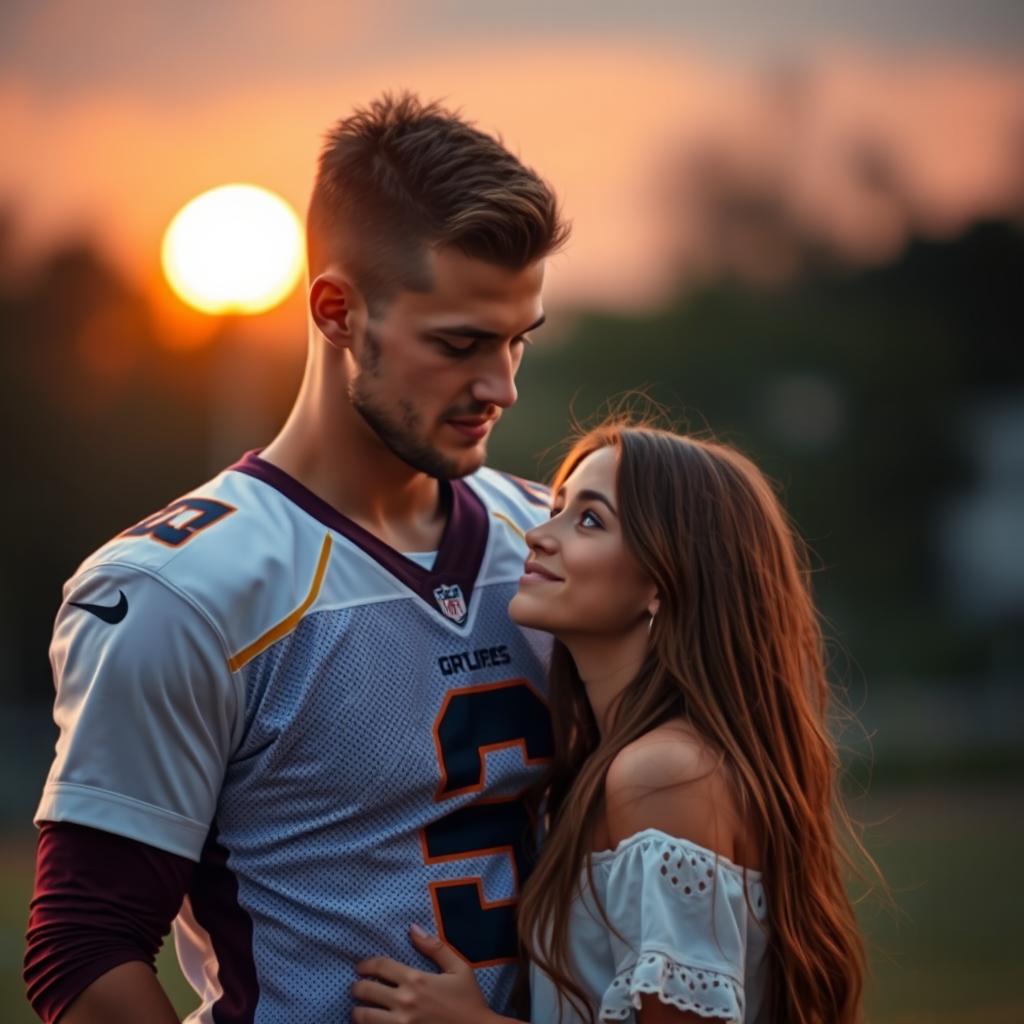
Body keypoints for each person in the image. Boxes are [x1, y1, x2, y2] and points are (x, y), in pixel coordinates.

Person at [24, 92, 569, 1023]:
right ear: (336, 311)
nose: (502, 386)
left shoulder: (553, 543)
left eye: (518, 340)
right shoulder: (183, 591)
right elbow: (83, 949)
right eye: (461, 344)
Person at [352, 421, 873, 1024]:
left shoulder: (663, 776)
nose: (538, 535)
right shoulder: (614, 762)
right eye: (556, 508)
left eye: (590, 520)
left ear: (663, 579)